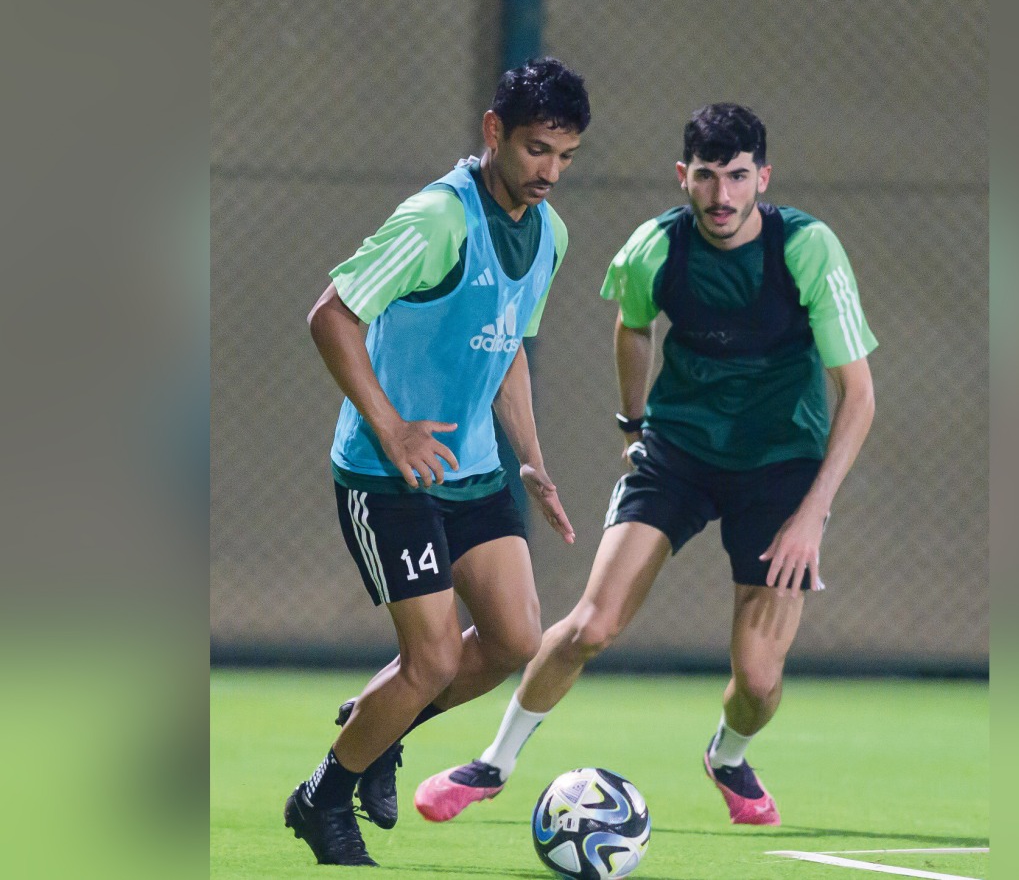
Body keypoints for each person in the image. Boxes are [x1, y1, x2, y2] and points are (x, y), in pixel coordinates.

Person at [413, 103, 877, 827]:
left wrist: (812, 514)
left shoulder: (808, 250)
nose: (721, 196)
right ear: (681, 177)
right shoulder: (654, 248)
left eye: (737, 176)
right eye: (705, 177)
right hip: (678, 453)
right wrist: (634, 425)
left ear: (763, 177)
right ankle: (493, 763)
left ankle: (726, 756)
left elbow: (859, 397)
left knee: (757, 678)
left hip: (782, 467)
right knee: (592, 625)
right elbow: (633, 328)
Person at [283, 56, 590, 866]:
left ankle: (378, 726)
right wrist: (391, 429)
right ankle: (322, 800)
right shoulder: (436, 220)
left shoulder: (550, 235)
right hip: (388, 475)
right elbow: (331, 315)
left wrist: (531, 458)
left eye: (564, 156)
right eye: (534, 151)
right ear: (493, 132)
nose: (549, 172)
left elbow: (509, 346)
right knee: (432, 659)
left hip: (477, 470)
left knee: (517, 638)